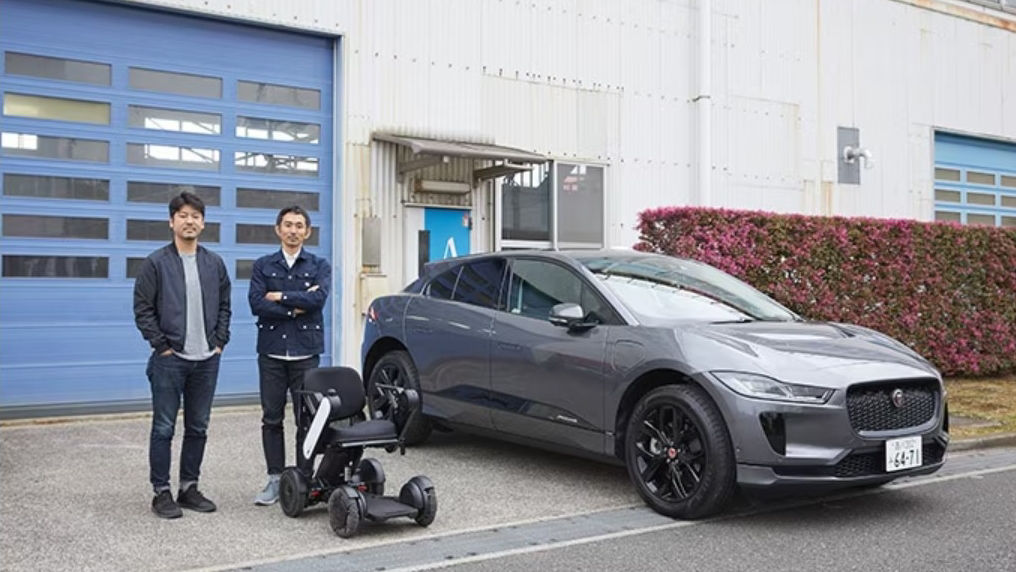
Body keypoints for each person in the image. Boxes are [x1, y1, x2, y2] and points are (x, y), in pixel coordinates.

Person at [133, 191, 231, 519]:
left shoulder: (213, 263)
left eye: (196, 216)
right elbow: (143, 308)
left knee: (198, 427)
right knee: (163, 427)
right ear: (171, 221)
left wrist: (220, 341)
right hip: (170, 360)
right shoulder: (156, 263)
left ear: (203, 223)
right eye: (183, 215)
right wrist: (161, 345)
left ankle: (189, 487)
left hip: (207, 359)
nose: (190, 221)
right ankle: (161, 492)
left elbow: (225, 305)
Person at [249, 205, 331, 505]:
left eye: (299, 225)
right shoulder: (263, 265)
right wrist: (298, 304)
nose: (293, 230)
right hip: (271, 353)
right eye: (288, 225)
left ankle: (302, 478)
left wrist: (281, 296)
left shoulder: (320, 265)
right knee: (271, 418)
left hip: (305, 354)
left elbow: (318, 300)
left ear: (307, 231)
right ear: (278, 229)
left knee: (306, 420)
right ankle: (274, 479)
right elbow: (256, 303)